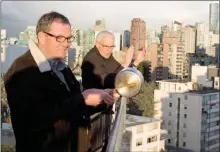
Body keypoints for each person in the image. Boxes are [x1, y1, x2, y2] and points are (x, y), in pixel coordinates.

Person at [3, 12, 115, 152]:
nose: (67, 44)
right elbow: (34, 120)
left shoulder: (61, 67)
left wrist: (103, 98)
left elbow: (75, 106)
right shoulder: (22, 71)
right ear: (42, 37)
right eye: (60, 38)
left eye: (68, 39)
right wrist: (82, 99)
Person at [81, 31, 147, 151]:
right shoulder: (91, 59)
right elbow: (111, 80)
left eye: (112, 46)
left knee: (104, 143)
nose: (109, 50)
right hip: (92, 115)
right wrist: (126, 62)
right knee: (96, 147)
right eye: (106, 46)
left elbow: (119, 72)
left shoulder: (106, 56)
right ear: (97, 43)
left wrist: (135, 62)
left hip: (103, 110)